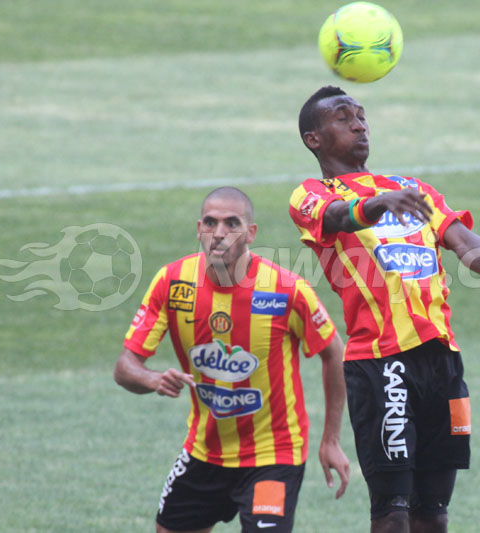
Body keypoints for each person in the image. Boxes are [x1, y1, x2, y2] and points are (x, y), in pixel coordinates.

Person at [289, 86, 480, 533]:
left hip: (443, 361)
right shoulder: (311, 194)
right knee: (392, 512)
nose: (360, 124)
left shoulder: (413, 188)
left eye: (362, 116)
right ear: (314, 139)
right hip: (381, 364)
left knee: (433, 511)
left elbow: (463, 242)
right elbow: (338, 218)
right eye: (343, 118)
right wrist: (378, 205)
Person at [115, 186, 350, 533]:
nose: (219, 234)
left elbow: (335, 353)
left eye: (231, 223)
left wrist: (330, 438)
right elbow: (125, 367)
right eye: (210, 223)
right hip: (205, 452)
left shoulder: (287, 289)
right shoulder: (172, 283)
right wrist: (150, 379)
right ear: (198, 229)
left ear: (251, 233)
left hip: (274, 455)